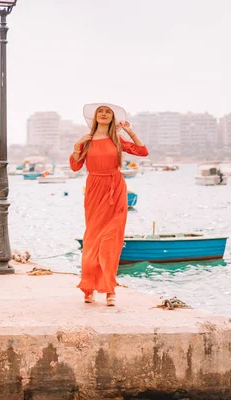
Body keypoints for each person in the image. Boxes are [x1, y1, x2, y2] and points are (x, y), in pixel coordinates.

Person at [69, 103, 149, 306]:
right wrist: (78, 144)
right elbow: (75, 165)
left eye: (107, 112)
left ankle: (109, 289)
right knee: (92, 240)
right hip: (95, 189)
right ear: (95, 117)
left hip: (116, 187)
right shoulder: (86, 140)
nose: (104, 114)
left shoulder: (117, 139)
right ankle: (88, 287)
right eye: (100, 111)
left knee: (111, 240)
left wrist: (129, 130)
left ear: (112, 118)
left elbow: (142, 151)